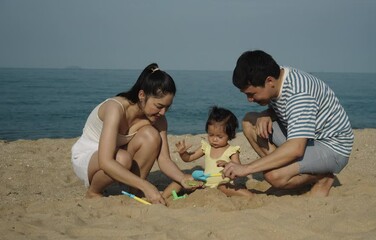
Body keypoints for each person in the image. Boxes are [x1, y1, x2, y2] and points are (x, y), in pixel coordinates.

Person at [218, 50, 354, 197]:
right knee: (250, 121)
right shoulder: (278, 76)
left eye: (252, 94)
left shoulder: (300, 94)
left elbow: (296, 148)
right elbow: (291, 111)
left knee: (273, 176)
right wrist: (267, 114)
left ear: (269, 81)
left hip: (332, 147)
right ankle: (291, 173)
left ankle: (322, 177)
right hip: (306, 137)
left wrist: (246, 169)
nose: (249, 99)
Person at [71, 63, 201, 205]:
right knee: (123, 159)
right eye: (159, 106)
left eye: (167, 107)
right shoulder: (116, 108)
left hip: (118, 154)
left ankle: (134, 191)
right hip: (89, 156)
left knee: (151, 135)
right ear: (141, 95)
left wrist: (182, 178)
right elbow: (105, 161)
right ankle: (94, 192)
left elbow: (164, 159)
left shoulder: (159, 120)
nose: (163, 112)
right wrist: (146, 185)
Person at [166, 106, 252, 197]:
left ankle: (251, 196)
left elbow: (238, 170)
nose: (214, 139)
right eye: (211, 135)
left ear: (230, 135)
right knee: (183, 179)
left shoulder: (232, 151)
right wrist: (183, 153)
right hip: (204, 184)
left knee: (223, 187)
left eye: (220, 137)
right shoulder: (206, 147)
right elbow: (188, 158)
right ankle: (162, 198)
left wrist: (227, 164)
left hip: (222, 184)